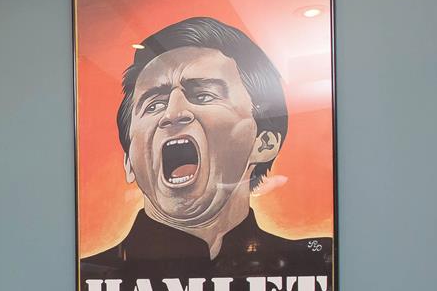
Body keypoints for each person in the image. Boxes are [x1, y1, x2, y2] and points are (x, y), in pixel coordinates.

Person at [82, 16, 330, 277]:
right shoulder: (90, 279)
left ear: (264, 143)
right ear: (129, 163)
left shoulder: (311, 269)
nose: (173, 113)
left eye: (203, 96)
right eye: (154, 105)